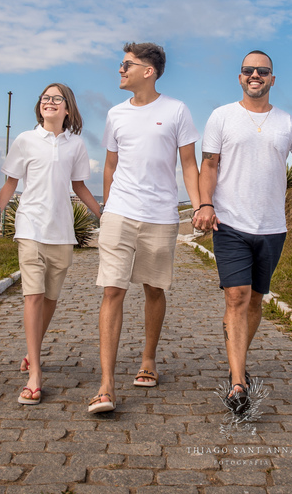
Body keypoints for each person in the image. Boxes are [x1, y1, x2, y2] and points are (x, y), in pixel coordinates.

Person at [194, 50, 292, 416]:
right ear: (240, 77)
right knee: (236, 296)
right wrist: (205, 204)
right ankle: (238, 383)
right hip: (230, 223)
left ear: (272, 79)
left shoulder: (288, 123)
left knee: (254, 300)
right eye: (248, 70)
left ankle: (237, 358)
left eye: (262, 71)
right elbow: (209, 165)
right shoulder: (222, 116)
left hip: (271, 228)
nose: (255, 75)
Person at [90, 42, 200, 414]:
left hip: (160, 215)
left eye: (127, 64)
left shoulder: (176, 111)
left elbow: (189, 164)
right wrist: (107, 208)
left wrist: (199, 205)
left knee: (154, 288)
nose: (121, 70)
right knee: (112, 290)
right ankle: (106, 385)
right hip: (119, 213)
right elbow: (110, 165)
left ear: (148, 71)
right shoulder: (115, 114)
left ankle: (148, 358)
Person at [0, 83, 101, 406]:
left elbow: (79, 186)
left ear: (68, 108)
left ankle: (32, 351)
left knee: (50, 299)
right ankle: (35, 373)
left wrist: (103, 213)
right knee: (33, 295)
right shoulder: (25, 140)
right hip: (30, 226)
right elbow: (11, 183)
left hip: (62, 232)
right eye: (45, 98)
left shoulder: (76, 145)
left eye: (57, 98)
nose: (49, 102)